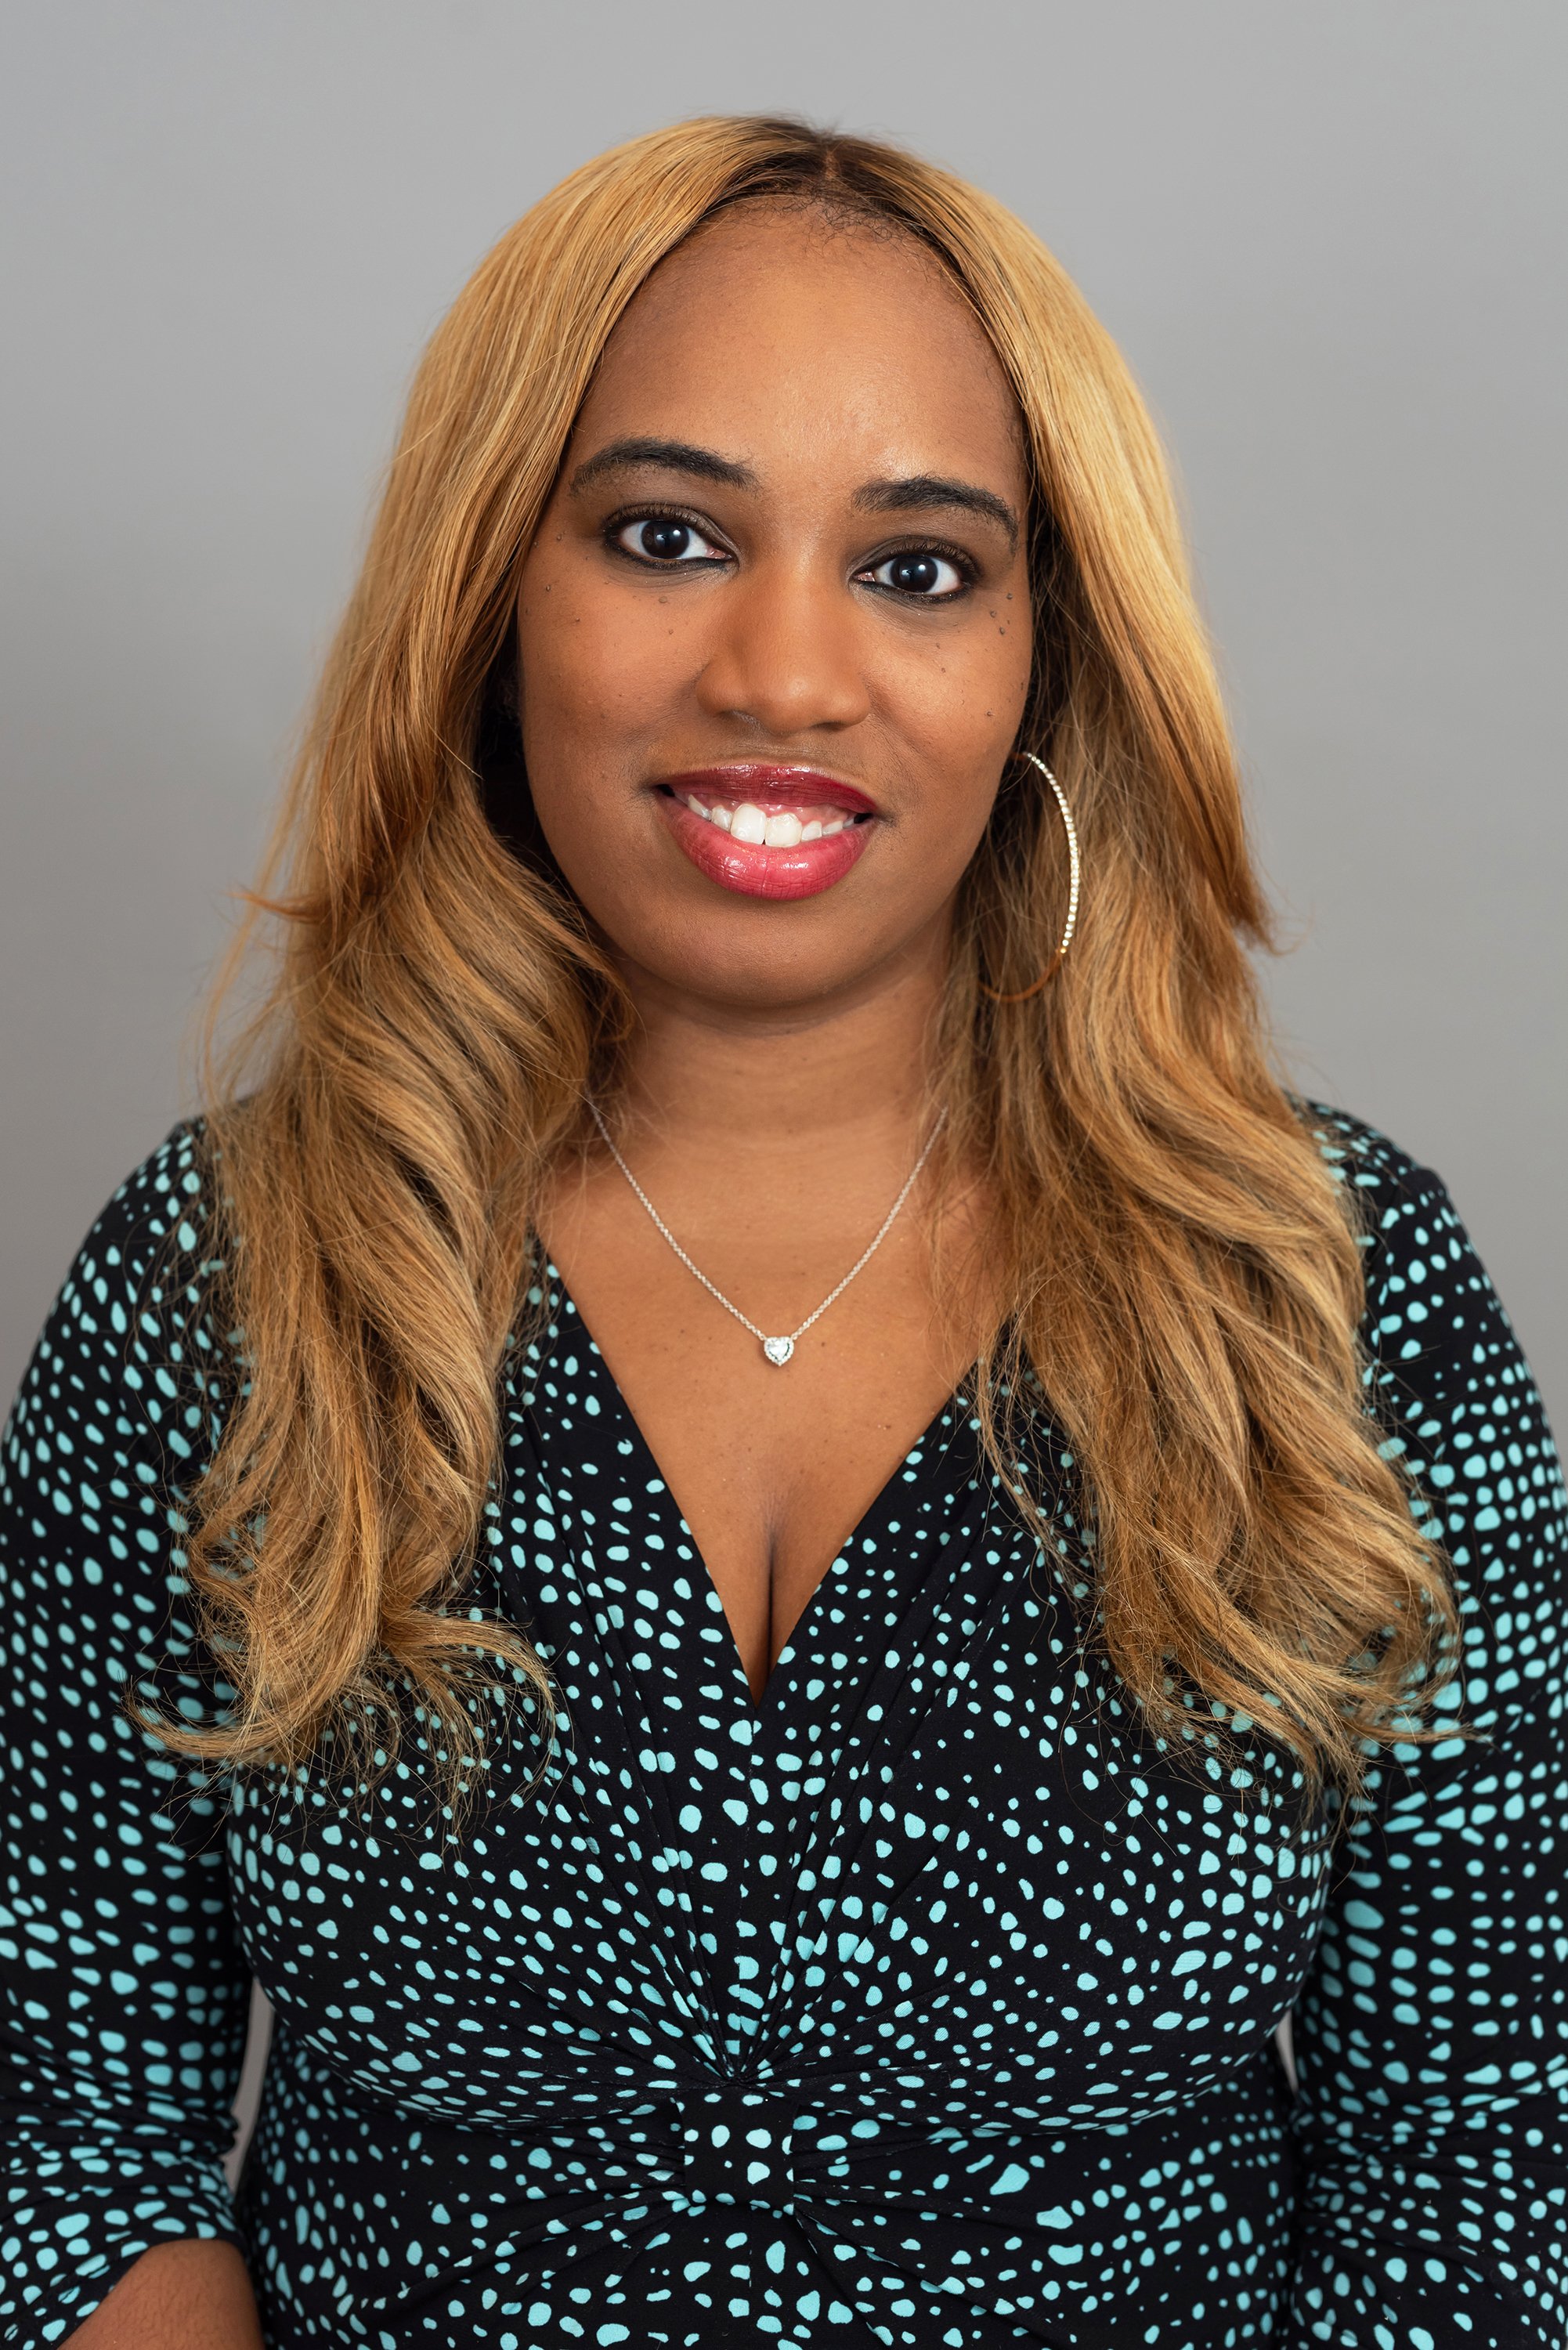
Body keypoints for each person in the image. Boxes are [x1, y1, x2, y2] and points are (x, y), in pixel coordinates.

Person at [1, 114, 1563, 2350]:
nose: (784, 673)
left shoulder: (1327, 1292)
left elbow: (1492, 2171)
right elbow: (66, 2130)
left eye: (919, 565)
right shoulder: (229, 1285)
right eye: (663, 534)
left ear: (1048, 651)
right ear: (487, 598)